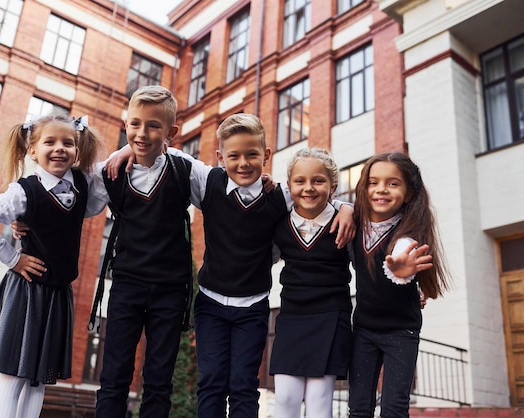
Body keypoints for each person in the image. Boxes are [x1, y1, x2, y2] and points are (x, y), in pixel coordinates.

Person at [106, 113, 355, 417]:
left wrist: (346, 207)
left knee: (243, 384)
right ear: (220, 157)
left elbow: (317, 195)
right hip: (211, 304)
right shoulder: (206, 181)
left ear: (265, 156)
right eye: (234, 156)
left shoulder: (280, 196)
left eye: (252, 155)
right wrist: (128, 149)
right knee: (211, 382)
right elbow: (166, 152)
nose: (244, 163)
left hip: (253, 307)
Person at [0, 112, 105, 418]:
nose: (59, 148)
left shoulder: (84, 186)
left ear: (77, 150)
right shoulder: (24, 191)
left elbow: (108, 179)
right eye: (49, 142)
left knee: (39, 378)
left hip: (58, 294)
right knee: (13, 375)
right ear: (32, 150)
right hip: (26, 291)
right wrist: (13, 259)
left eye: (68, 143)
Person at [94, 85, 194, 418]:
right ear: (125, 124)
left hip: (170, 291)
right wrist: (23, 221)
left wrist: (340, 206)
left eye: (153, 125)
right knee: (113, 378)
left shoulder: (184, 170)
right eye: (135, 124)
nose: (142, 133)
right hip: (126, 286)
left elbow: (230, 190)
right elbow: (61, 194)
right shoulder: (110, 172)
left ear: (170, 132)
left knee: (158, 382)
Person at [347, 152, 450, 418]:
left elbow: (402, 259)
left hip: (400, 332)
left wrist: (401, 274)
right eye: (373, 182)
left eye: (393, 183)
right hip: (363, 329)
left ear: (408, 194)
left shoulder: (409, 236)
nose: (381, 189)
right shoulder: (354, 224)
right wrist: (345, 209)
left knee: (394, 409)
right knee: (359, 407)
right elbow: (330, 205)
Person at [270, 148, 353, 418]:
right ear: (289, 185)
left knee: (319, 400)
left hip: (332, 315)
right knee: (284, 397)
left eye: (318, 181)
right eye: (300, 181)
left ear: (333, 186)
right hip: (292, 316)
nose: (309, 188)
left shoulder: (346, 224)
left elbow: (371, 265)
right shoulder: (277, 223)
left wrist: (347, 208)